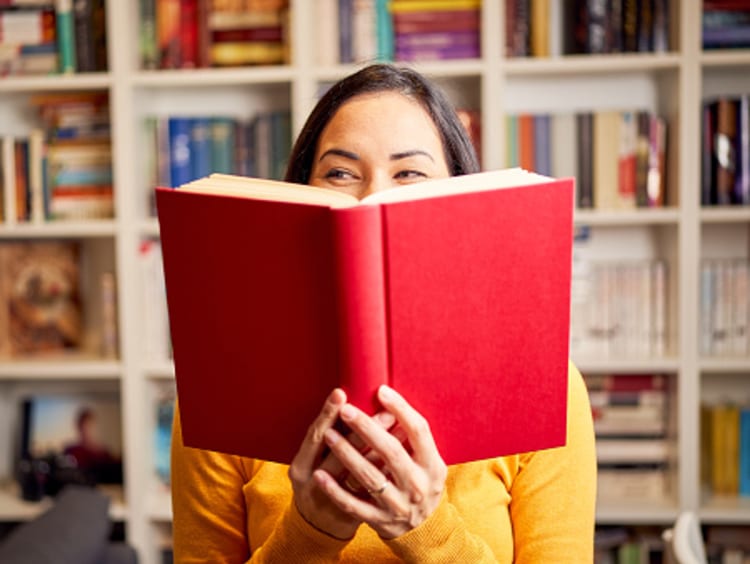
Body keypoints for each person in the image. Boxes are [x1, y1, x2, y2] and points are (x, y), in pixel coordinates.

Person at [171, 63, 597, 563]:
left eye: (410, 173)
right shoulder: (223, 396)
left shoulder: (548, 390)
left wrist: (424, 526)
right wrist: (309, 531)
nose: (372, 198)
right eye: (340, 173)